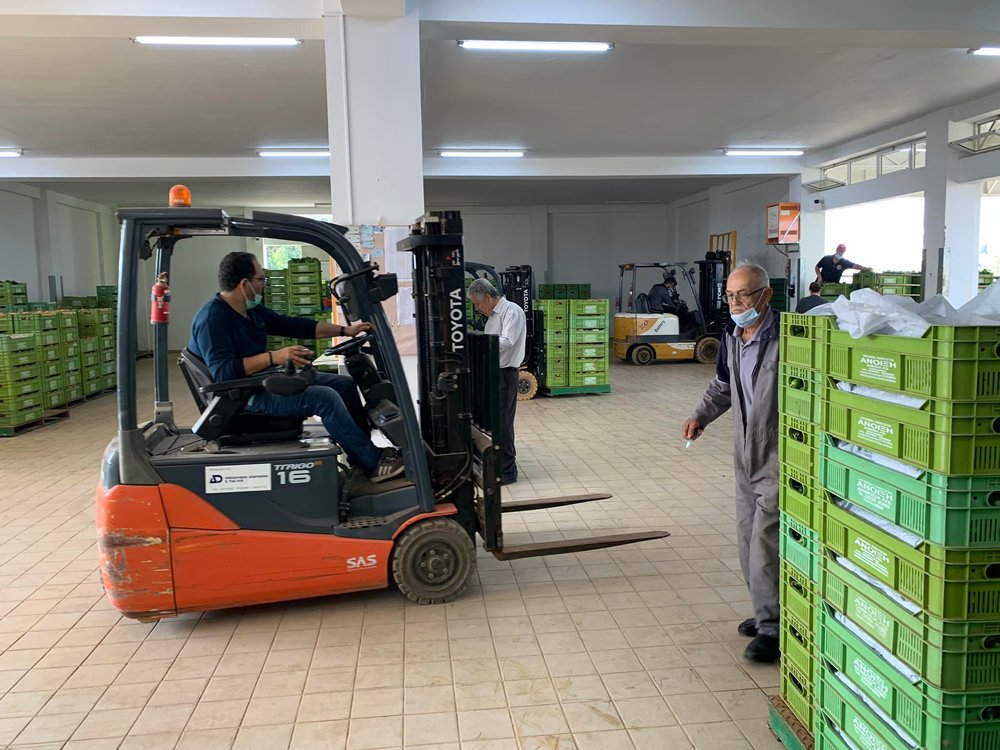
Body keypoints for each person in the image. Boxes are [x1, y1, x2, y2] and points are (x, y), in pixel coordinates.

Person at [188, 251, 405, 483]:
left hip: (259, 381)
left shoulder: (249, 310)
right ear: (244, 284)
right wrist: (273, 357)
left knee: (344, 385)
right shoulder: (213, 320)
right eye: (261, 279)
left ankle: (362, 456)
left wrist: (344, 330)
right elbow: (223, 373)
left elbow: (293, 325)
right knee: (325, 398)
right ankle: (372, 463)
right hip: (242, 397)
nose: (264, 285)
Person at [681, 262, 781, 663]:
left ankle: (773, 630)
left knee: (765, 544)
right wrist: (700, 415)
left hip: (777, 455)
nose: (736, 303)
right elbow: (723, 385)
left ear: (765, 295)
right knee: (745, 539)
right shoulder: (732, 335)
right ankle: (765, 609)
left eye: (743, 294)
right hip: (743, 453)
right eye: (730, 295)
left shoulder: (786, 338)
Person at [468, 278, 526, 485]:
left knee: (503, 422)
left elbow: (507, 342)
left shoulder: (512, 311)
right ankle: (496, 463)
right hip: (494, 372)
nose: (477, 308)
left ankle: (508, 471)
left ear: (488, 297)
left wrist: (480, 344)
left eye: (477, 303)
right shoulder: (492, 316)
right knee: (493, 421)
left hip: (505, 374)